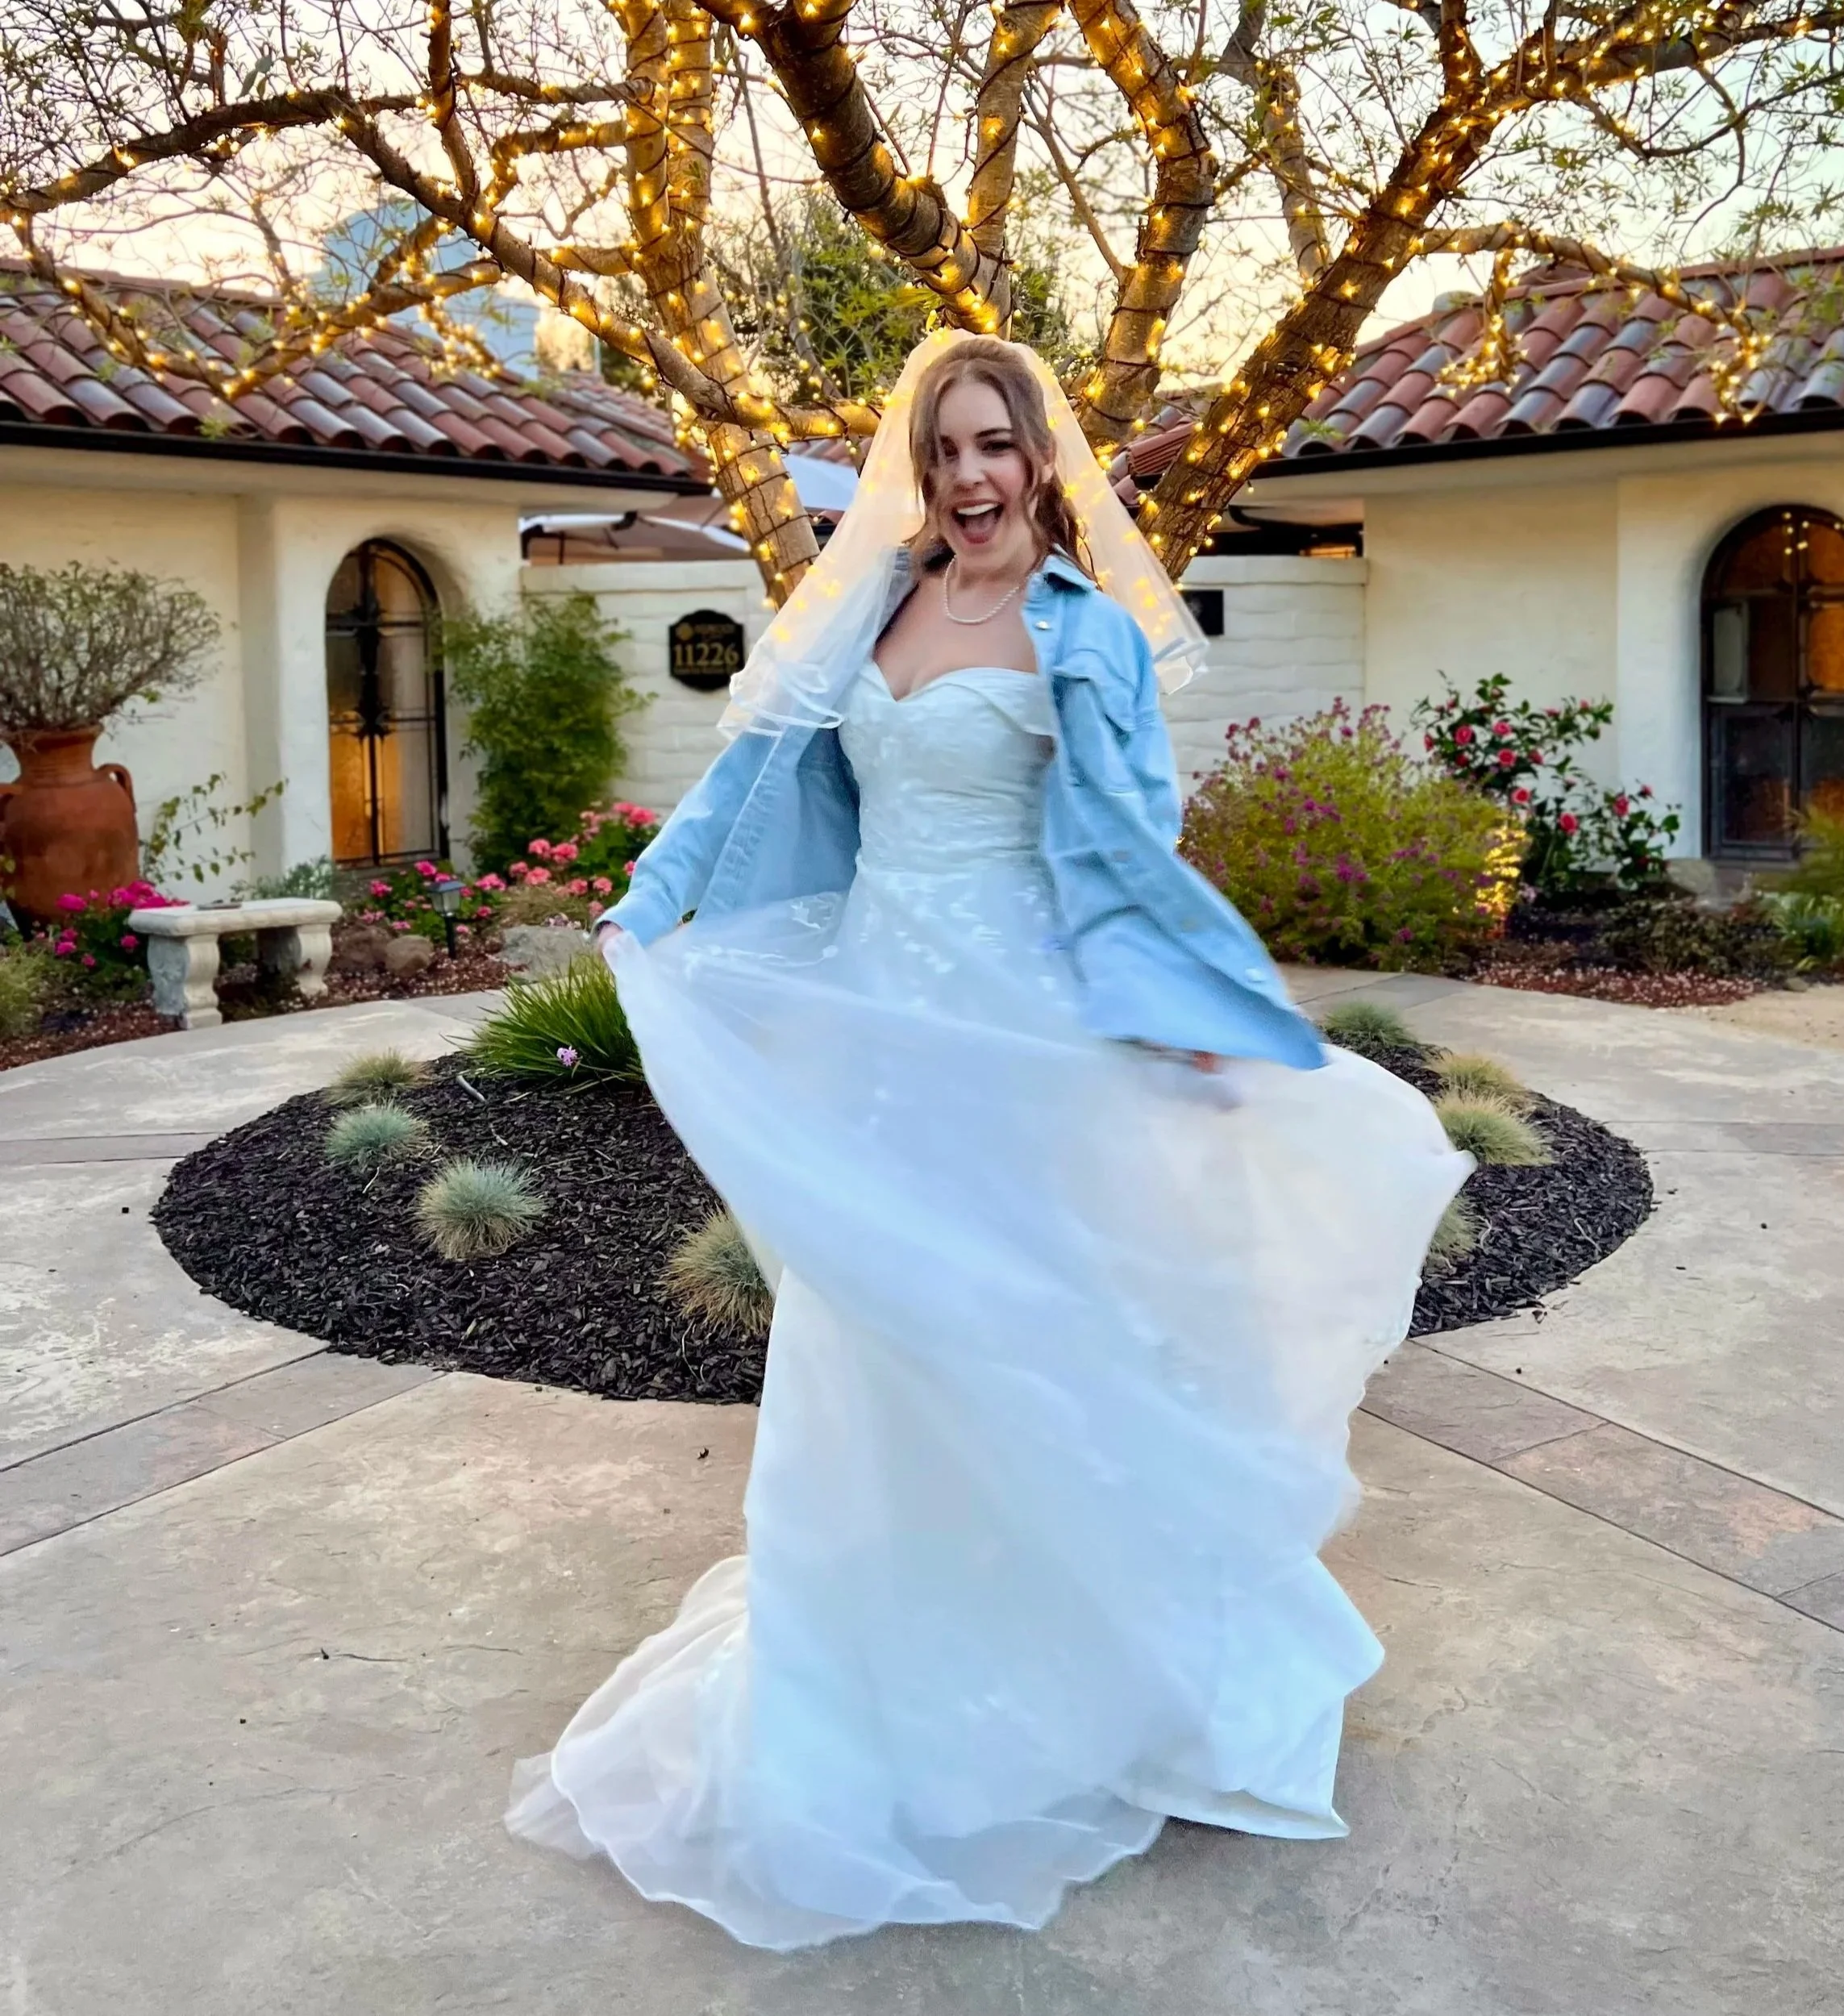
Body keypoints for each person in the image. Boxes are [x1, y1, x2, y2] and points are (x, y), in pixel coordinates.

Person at [504, 331, 1470, 1950]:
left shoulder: (1078, 632)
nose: (968, 477)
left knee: (1029, 1341)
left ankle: (1084, 1687)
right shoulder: (865, 604)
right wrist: (648, 902)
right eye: (943, 448)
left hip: (1021, 1039)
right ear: (917, 464)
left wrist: (1172, 1004)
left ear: (1035, 461)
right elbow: (745, 783)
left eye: (992, 447)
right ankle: (858, 1696)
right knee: (866, 1345)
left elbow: (1132, 838)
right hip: (880, 1039)